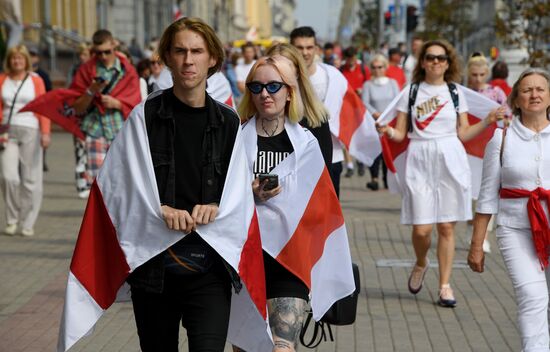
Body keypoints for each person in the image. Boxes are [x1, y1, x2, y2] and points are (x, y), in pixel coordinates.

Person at [126, 17, 242, 351]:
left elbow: (237, 194)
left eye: (196, 51)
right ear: (166, 57)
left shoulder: (229, 122)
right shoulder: (144, 116)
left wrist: (218, 205)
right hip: (154, 267)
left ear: (213, 59)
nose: (188, 60)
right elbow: (118, 188)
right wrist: (158, 208)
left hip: (210, 266)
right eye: (179, 51)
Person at [376, 40, 503, 307]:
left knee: (446, 225)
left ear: (448, 62)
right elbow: (400, 132)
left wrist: (487, 121)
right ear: (422, 62)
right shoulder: (410, 92)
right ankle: (421, 261)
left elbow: (463, 132)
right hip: (420, 157)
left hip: (450, 157)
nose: (436, 62)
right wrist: (387, 132)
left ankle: (445, 286)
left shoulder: (456, 92)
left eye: (441, 58)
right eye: (431, 57)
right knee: (422, 229)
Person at [238, 55, 349, 352]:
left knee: (282, 346)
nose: (264, 94)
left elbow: (323, 207)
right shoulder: (233, 138)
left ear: (289, 92)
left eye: (273, 86)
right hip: (244, 256)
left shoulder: (306, 143)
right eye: (256, 86)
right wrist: (247, 193)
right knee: (246, 347)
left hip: (291, 259)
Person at [468, 68, 550, 352]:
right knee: (532, 295)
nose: (534, 94)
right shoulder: (501, 140)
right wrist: (477, 243)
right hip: (516, 229)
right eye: (527, 90)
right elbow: (487, 195)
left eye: (540, 89)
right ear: (515, 100)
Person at [70, 29, 140, 191]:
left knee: (122, 183)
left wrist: (118, 103)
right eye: (98, 53)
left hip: (120, 130)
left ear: (114, 46)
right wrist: (91, 90)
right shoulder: (86, 70)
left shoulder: (127, 70)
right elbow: (77, 105)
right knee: (99, 185)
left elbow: (136, 102)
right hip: (95, 130)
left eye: (107, 52)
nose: (103, 57)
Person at [290, 26, 347, 197]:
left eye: (309, 47)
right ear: (291, 48)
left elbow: (348, 109)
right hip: (293, 158)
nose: (305, 53)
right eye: (300, 48)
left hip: (331, 156)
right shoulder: (283, 76)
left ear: (316, 49)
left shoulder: (333, 76)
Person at [0, 44, 49, 236]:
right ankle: (12, 219)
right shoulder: (3, 79)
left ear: (26, 60)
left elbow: (43, 107)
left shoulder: (35, 80)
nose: (16, 61)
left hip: (31, 130)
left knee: (30, 179)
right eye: (13, 58)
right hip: (7, 131)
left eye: (20, 58)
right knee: (8, 177)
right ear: (9, 60)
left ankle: (28, 222)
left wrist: (45, 133)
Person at [466, 52, 510, 253]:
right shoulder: (464, 93)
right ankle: (474, 231)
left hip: (490, 146)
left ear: (486, 73)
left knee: (489, 191)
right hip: (468, 147)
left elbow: (509, 115)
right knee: (471, 192)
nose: (477, 78)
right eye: (474, 74)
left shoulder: (496, 92)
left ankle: (483, 235)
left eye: (481, 74)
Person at [265, 43, 331, 167]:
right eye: (273, 68)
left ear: (297, 72)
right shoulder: (251, 119)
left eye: (286, 68)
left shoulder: (315, 118)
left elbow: (325, 175)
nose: (280, 75)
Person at [361, 54, 400, 191]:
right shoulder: (368, 85)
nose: (377, 70)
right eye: (374, 67)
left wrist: (388, 116)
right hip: (374, 123)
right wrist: (376, 114)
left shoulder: (393, 83)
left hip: (390, 122)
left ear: (385, 67)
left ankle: (387, 178)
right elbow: (364, 103)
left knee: (387, 151)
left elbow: (398, 100)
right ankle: (374, 178)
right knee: (376, 151)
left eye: (380, 67)